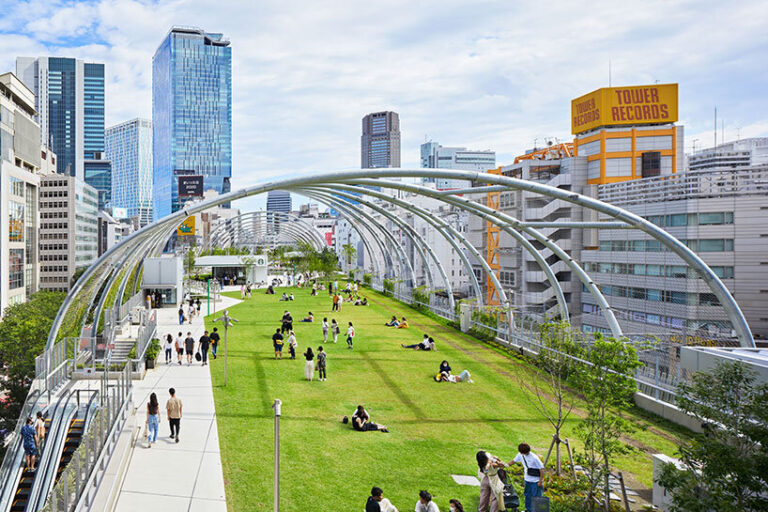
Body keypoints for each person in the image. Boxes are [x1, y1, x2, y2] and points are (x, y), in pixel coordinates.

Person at [509, 443, 545, 511]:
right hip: (527, 480)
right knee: (528, 496)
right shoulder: (520, 455)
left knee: (536, 497)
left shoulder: (534, 458)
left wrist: (540, 481)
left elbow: (542, 469)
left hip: (536, 481)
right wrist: (505, 465)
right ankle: (528, 509)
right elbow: (513, 461)